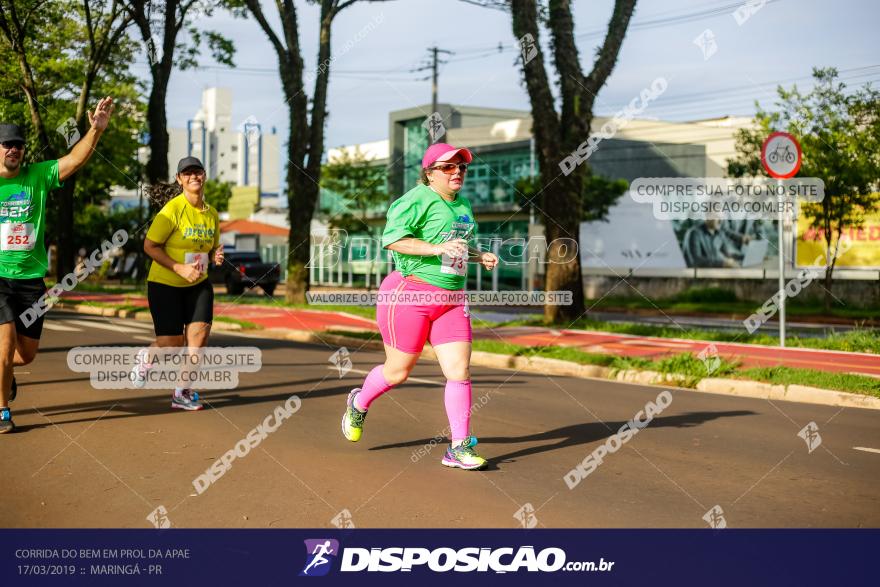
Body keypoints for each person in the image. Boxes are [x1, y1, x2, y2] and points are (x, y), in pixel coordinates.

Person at [341, 142, 499, 471]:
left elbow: (457, 245)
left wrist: (477, 254)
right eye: (449, 167)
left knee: (460, 371)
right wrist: (436, 247)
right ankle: (358, 402)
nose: (458, 173)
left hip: (452, 299)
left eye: (462, 168)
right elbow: (393, 239)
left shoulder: (464, 204)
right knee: (397, 372)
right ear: (429, 173)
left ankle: (458, 446)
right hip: (410, 294)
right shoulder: (417, 198)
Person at [0, 98, 115, 434]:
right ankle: (2, 409)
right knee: (4, 344)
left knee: (26, 355)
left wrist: (96, 129)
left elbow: (75, 159)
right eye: (7, 144)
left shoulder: (38, 175)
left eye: (18, 146)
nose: (14, 150)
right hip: (0, 278)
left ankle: (4, 375)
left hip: (32, 280)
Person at [131, 157, 222, 411]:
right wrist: (179, 267)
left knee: (199, 339)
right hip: (165, 284)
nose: (194, 176)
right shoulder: (172, 210)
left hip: (198, 284)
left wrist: (216, 255)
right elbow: (149, 246)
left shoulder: (212, 213)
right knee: (172, 345)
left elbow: (212, 247)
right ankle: (147, 357)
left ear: (204, 176)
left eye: (198, 172)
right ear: (180, 179)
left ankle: (181, 392)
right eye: (187, 173)